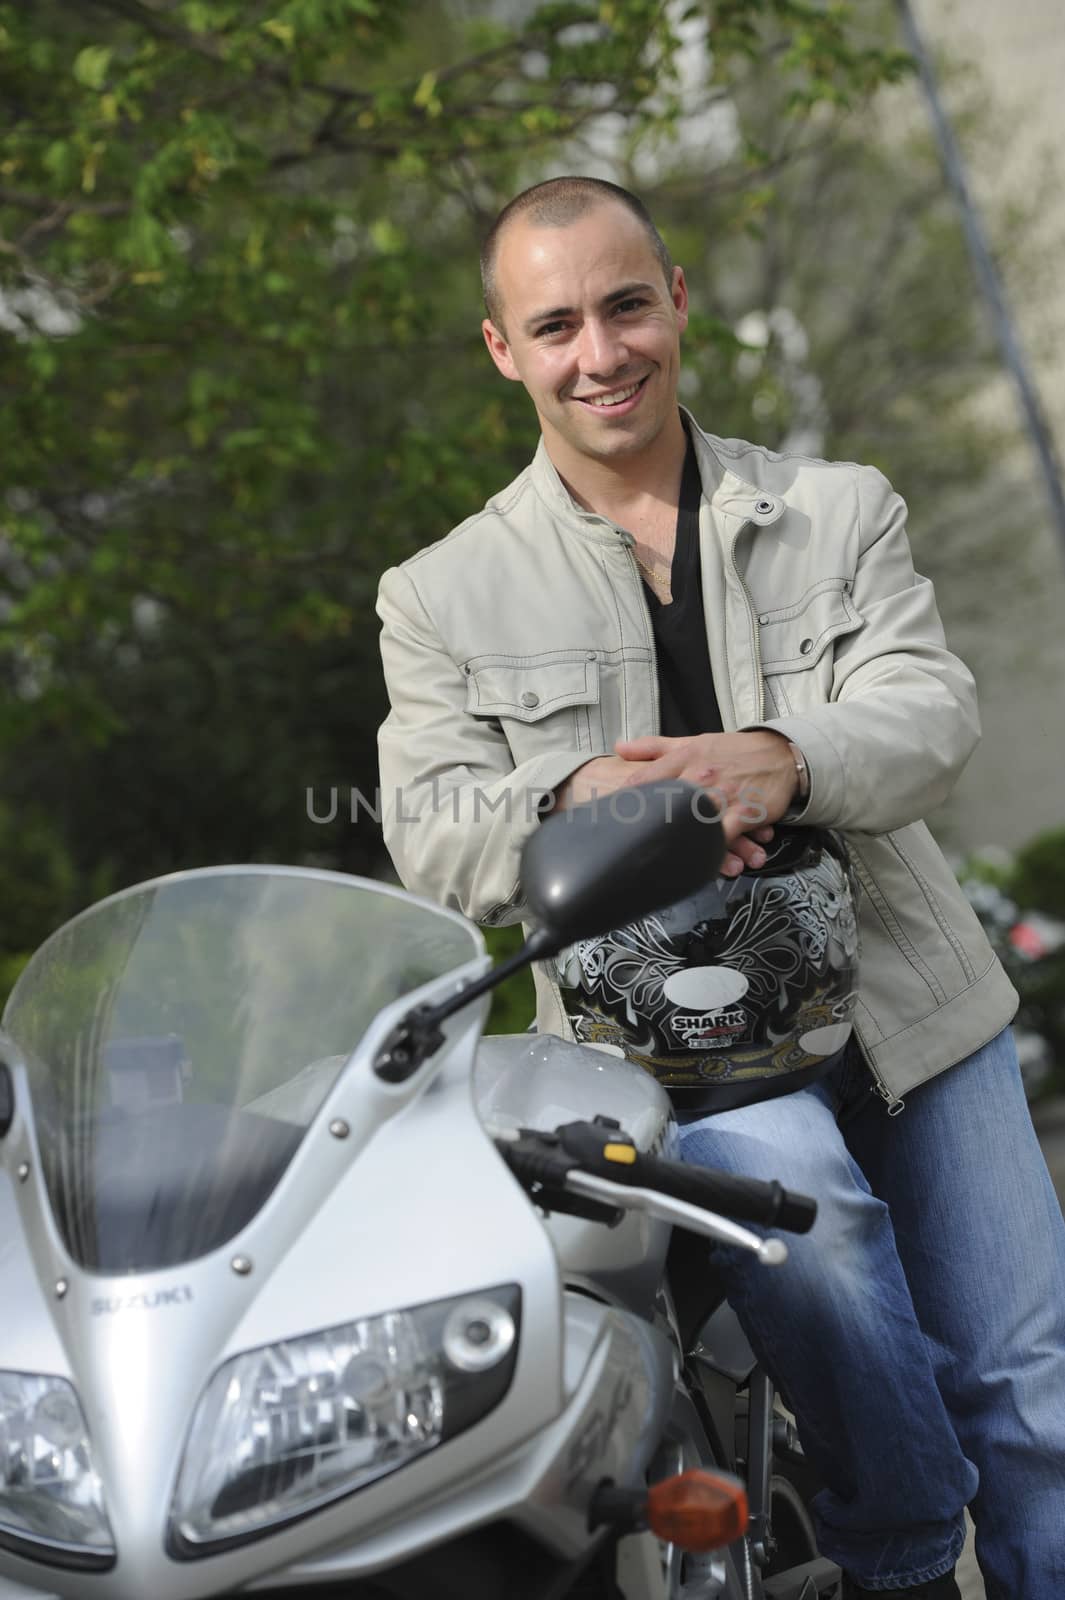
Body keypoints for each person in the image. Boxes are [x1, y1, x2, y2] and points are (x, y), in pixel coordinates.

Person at [375, 177, 1065, 1598]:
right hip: (668, 1070)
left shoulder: (836, 510)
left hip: (914, 1015)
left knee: (1027, 1391)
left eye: (626, 305)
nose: (601, 352)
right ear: (504, 350)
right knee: (801, 1219)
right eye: (555, 323)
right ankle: (905, 1555)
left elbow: (929, 715)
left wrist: (775, 758)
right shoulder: (437, 595)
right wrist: (586, 800)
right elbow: (430, 833)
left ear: (675, 301)